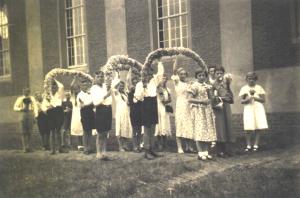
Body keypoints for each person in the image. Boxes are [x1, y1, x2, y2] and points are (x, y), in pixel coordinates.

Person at [134, 61, 163, 160]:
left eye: (150, 73)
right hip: (145, 105)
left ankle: (152, 149)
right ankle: (146, 151)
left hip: (153, 104)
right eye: (146, 74)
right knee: (146, 129)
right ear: (143, 74)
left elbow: (160, 74)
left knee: (153, 128)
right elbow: (138, 97)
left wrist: (159, 62)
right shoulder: (139, 84)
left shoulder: (154, 81)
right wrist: (144, 87)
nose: (149, 75)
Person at [188, 69, 217, 160]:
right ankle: (200, 152)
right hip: (199, 110)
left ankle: (206, 151)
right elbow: (189, 99)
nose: (201, 77)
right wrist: (201, 101)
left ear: (205, 76)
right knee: (200, 129)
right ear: (196, 77)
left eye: (203, 75)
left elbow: (211, 98)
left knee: (207, 129)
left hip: (207, 110)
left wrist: (211, 92)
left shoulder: (207, 86)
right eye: (199, 75)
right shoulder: (194, 86)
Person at [239, 72, 268, 152]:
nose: (251, 80)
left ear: (256, 79)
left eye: (253, 79)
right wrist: (248, 99)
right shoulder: (244, 89)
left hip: (258, 108)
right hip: (248, 108)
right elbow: (242, 101)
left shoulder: (259, 88)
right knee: (248, 127)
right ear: (246, 79)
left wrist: (255, 98)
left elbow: (263, 100)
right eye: (249, 79)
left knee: (258, 127)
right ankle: (248, 145)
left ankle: (256, 144)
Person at [171, 58, 194, 153]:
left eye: (184, 74)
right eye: (181, 74)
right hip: (180, 104)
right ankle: (180, 147)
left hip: (188, 105)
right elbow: (174, 70)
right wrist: (176, 60)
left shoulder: (188, 84)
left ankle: (189, 146)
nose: (183, 75)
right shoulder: (177, 82)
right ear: (178, 75)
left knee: (188, 124)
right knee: (180, 124)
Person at [212, 66, 235, 157]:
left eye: (221, 73)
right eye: (217, 73)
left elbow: (230, 97)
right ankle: (219, 150)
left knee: (227, 126)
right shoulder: (213, 85)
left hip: (226, 106)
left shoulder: (226, 84)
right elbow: (212, 97)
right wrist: (218, 99)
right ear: (214, 74)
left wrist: (228, 86)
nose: (219, 75)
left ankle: (227, 149)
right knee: (219, 127)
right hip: (218, 108)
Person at [91, 70, 112, 160]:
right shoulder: (94, 88)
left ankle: (104, 152)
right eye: (98, 77)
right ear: (95, 79)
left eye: (101, 76)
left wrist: (109, 87)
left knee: (106, 132)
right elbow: (95, 103)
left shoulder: (105, 86)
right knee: (100, 133)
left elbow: (111, 94)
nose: (100, 78)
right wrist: (105, 96)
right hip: (100, 110)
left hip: (108, 109)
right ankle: (98, 153)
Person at [13, 88, 38, 153]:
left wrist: (35, 116)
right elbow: (15, 107)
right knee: (23, 132)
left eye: (27, 91)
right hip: (23, 114)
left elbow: (35, 107)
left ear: (29, 92)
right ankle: (25, 148)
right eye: (24, 91)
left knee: (30, 131)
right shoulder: (20, 99)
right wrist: (21, 109)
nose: (26, 92)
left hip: (30, 113)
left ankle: (30, 147)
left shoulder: (32, 98)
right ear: (23, 92)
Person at [112, 76, 133, 152]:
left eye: (122, 86)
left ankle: (125, 145)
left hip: (126, 112)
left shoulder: (125, 94)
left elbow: (128, 102)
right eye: (120, 86)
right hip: (120, 112)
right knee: (120, 129)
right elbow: (113, 88)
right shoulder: (116, 93)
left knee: (126, 128)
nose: (121, 87)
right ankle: (120, 146)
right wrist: (118, 79)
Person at [47, 79, 66, 154]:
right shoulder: (48, 94)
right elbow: (45, 105)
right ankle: (53, 149)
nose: (53, 88)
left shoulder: (59, 94)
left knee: (58, 130)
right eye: (52, 87)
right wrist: (49, 107)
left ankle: (60, 148)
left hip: (58, 112)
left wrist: (53, 78)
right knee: (52, 131)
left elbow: (61, 86)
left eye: (55, 87)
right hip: (51, 113)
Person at [155, 70, 172, 152]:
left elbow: (170, 99)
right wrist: (164, 101)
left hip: (165, 108)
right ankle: (159, 143)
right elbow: (161, 99)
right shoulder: (157, 88)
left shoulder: (168, 89)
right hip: (158, 107)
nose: (164, 80)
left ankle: (165, 143)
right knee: (159, 124)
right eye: (163, 78)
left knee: (165, 123)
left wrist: (167, 101)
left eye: (165, 79)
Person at [77, 79, 95, 155]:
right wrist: (89, 103)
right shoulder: (79, 95)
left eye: (86, 85)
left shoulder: (89, 93)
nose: (85, 86)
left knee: (90, 130)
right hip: (84, 113)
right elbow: (82, 105)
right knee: (85, 131)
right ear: (81, 86)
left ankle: (90, 148)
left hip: (91, 112)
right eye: (83, 85)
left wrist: (88, 103)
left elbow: (93, 102)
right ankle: (86, 148)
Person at [128, 75, 143, 152]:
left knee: (140, 130)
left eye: (136, 83)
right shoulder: (130, 94)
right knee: (135, 130)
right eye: (134, 84)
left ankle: (139, 145)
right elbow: (131, 103)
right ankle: (135, 146)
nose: (135, 85)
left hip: (140, 112)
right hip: (134, 113)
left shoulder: (141, 93)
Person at [70, 77, 84, 151]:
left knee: (82, 128)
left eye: (77, 89)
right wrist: (74, 78)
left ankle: (84, 144)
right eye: (74, 89)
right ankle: (79, 145)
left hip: (81, 113)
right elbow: (71, 86)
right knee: (77, 129)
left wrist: (78, 80)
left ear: (79, 89)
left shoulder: (81, 94)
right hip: (75, 114)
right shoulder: (72, 96)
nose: (75, 90)